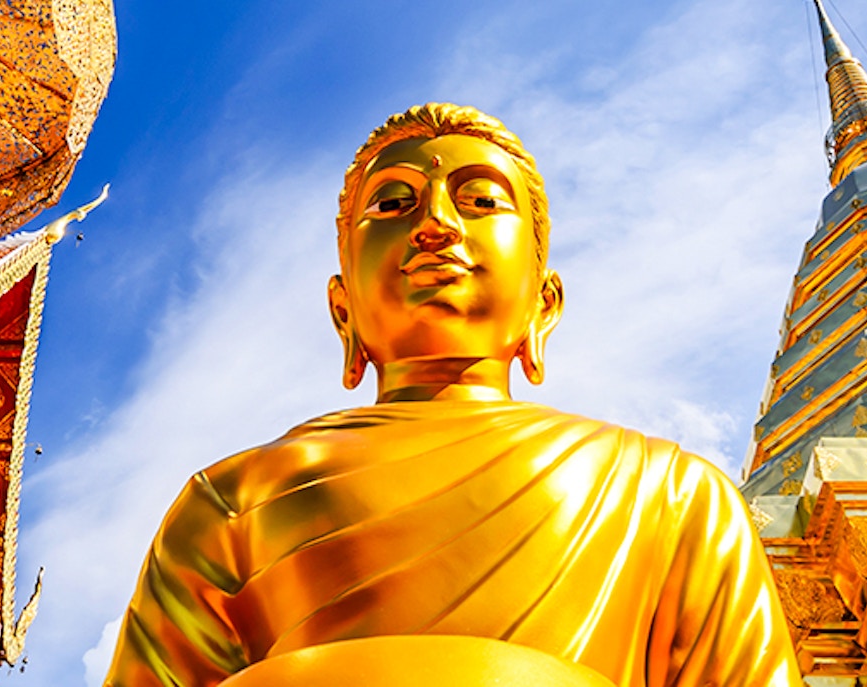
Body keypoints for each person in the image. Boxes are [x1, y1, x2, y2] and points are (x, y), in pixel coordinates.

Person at [104, 103, 800, 686]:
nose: (435, 223)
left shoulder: (672, 493)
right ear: (342, 311)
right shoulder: (233, 500)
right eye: (393, 202)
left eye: (481, 199)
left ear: (544, 304)